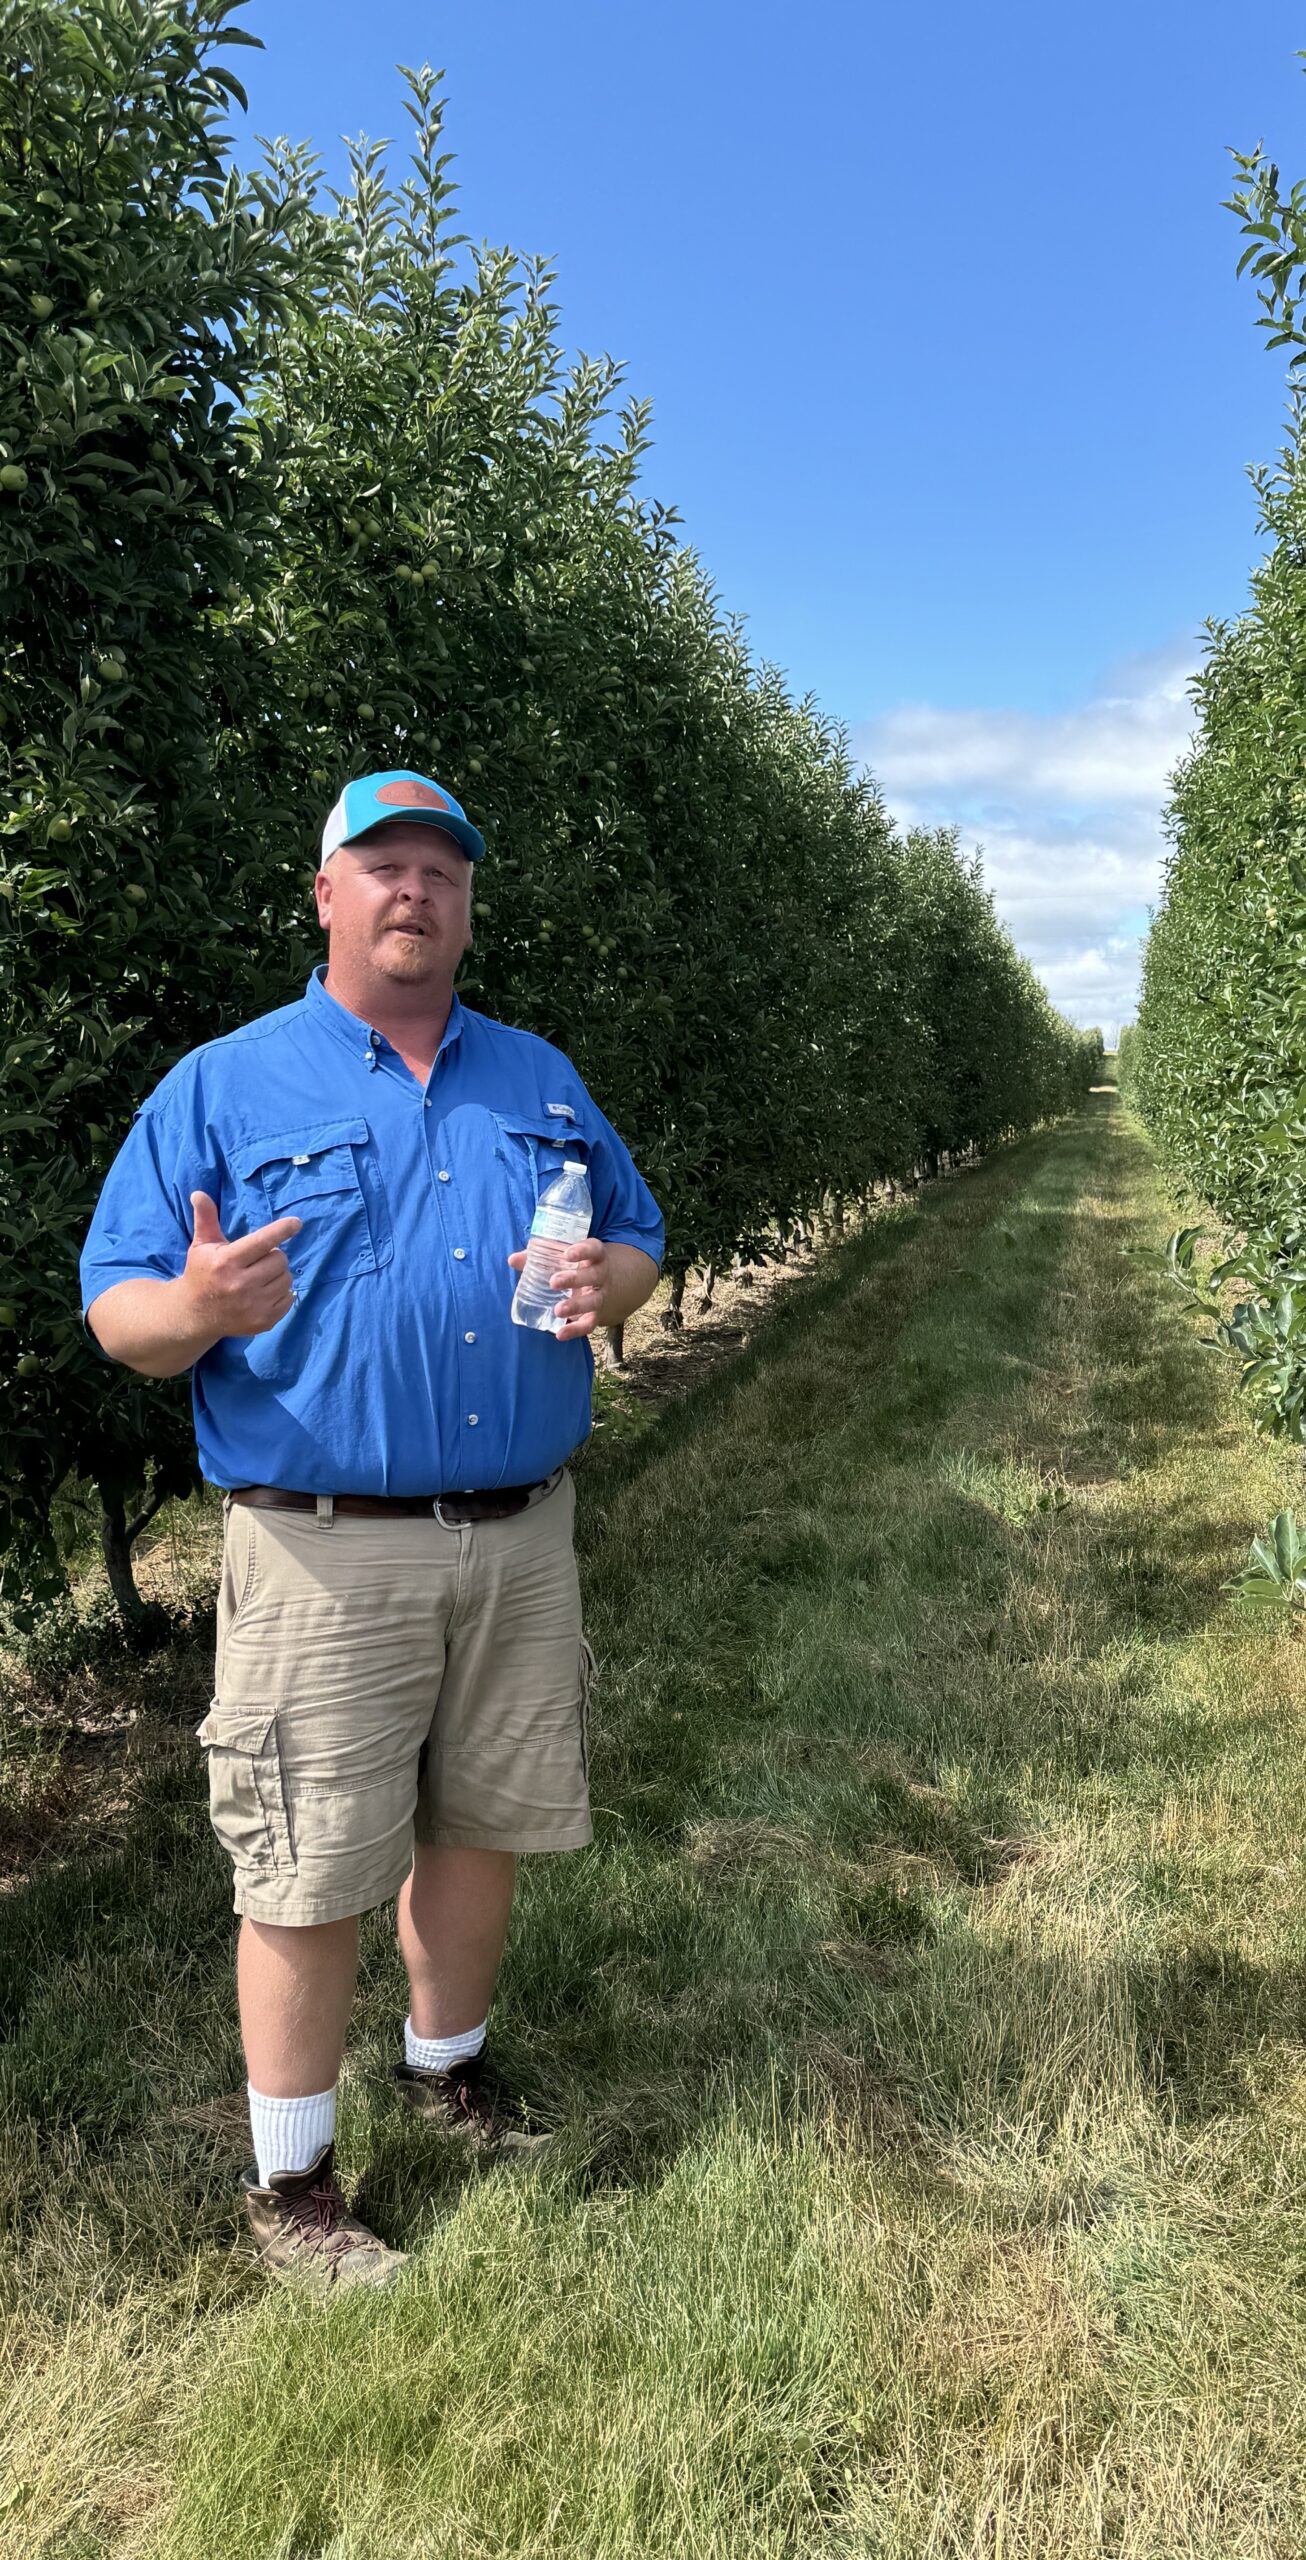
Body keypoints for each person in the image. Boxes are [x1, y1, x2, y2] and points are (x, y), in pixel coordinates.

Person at [79, 770, 664, 2293]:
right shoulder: (226, 1085)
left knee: (482, 1824)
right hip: (322, 1548)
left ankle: (446, 2072)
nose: (417, 891)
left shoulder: (536, 1076)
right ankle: (295, 2188)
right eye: (384, 866)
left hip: (522, 1535)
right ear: (327, 895)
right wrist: (193, 1311)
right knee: (306, 1864)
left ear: (468, 904)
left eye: (443, 873)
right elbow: (119, 1306)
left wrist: (622, 1282)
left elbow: (639, 1234)